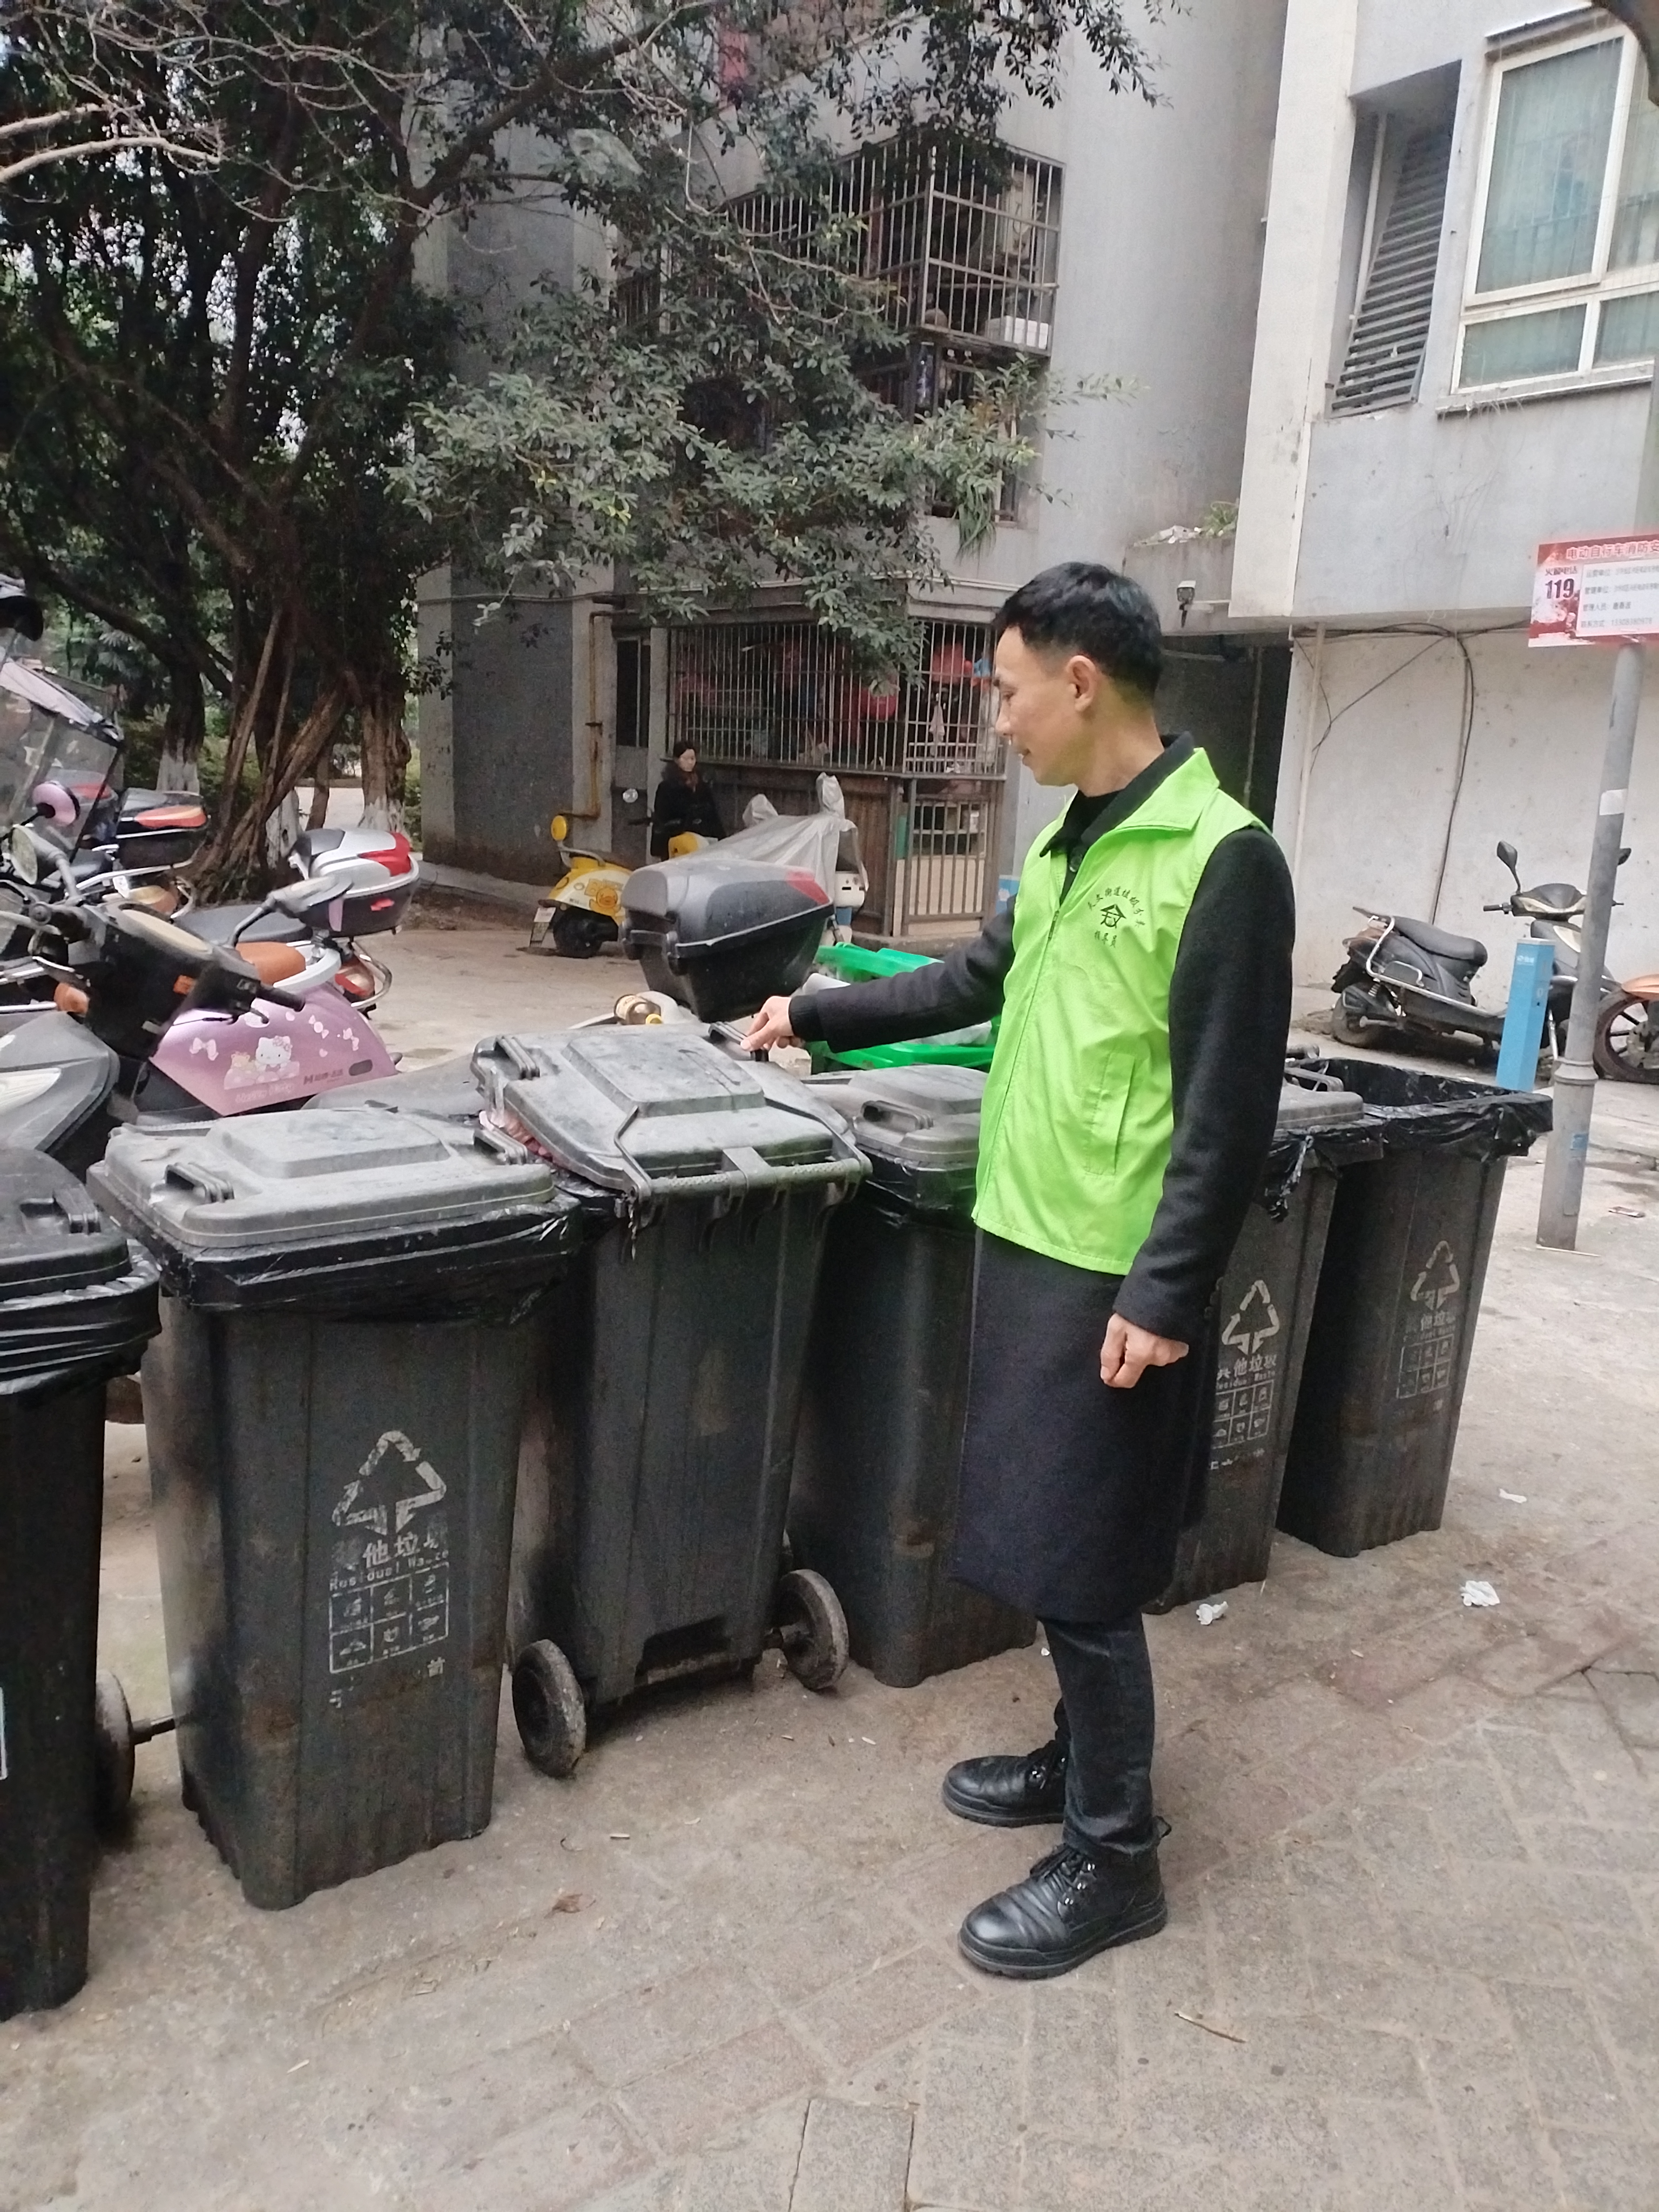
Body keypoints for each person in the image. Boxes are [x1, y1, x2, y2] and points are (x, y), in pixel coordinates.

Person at [744, 563, 1293, 1980]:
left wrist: (1166, 1293)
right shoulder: (1064, 845)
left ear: (1081, 682)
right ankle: (1076, 1756)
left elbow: (1228, 1109)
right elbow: (970, 983)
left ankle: (1117, 1855)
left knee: (1087, 1567)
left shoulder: (1222, 858)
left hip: (1112, 1271)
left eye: (1005, 690)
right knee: (1050, 1539)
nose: (998, 720)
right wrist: (817, 1010)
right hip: (1024, 1233)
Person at [650, 742, 723, 858]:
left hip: (701, 840)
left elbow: (713, 813)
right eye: (685, 759)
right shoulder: (667, 787)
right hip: (676, 842)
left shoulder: (702, 785)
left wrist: (721, 838)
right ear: (676, 760)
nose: (690, 762)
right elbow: (663, 816)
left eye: (692, 759)